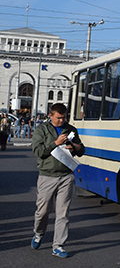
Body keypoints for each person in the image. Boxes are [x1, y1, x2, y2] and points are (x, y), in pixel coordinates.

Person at [31, 103, 85, 258]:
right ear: (51, 116)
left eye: (64, 117)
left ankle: (58, 246)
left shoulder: (71, 130)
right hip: (47, 175)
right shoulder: (42, 130)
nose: (62, 120)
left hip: (66, 175)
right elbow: (38, 151)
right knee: (43, 211)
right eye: (58, 118)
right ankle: (39, 233)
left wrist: (75, 147)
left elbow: (82, 150)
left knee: (63, 213)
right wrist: (55, 143)